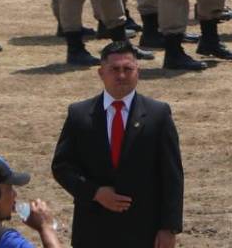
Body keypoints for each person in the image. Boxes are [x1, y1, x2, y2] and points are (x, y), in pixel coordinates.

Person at [52, 42, 183, 248]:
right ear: (101, 72)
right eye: (114, 69)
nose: (121, 75)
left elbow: (172, 176)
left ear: (137, 71)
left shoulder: (158, 115)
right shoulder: (79, 114)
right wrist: (95, 193)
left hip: (143, 231)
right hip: (93, 230)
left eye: (127, 69)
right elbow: (62, 167)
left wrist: (169, 228)